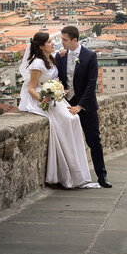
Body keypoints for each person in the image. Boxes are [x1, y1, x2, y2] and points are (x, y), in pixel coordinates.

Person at [18, 32, 98, 189]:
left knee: (74, 119)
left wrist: (58, 90)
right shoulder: (37, 64)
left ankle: (77, 172)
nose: (53, 43)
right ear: (41, 46)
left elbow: (63, 56)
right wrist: (43, 99)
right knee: (69, 120)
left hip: (56, 98)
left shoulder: (51, 57)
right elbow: (31, 88)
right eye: (49, 42)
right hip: (43, 99)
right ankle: (68, 172)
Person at [55, 25, 112, 188]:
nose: (62, 42)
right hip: (66, 104)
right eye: (61, 39)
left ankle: (102, 176)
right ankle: (69, 178)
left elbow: (91, 83)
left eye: (64, 40)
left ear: (74, 40)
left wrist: (80, 106)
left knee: (94, 140)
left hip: (86, 106)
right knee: (67, 142)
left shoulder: (90, 56)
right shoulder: (61, 56)